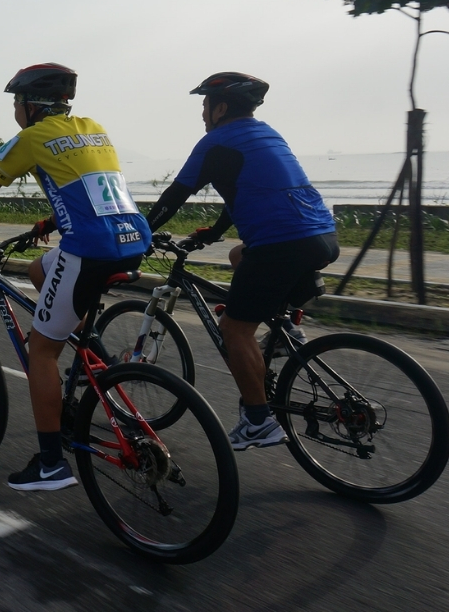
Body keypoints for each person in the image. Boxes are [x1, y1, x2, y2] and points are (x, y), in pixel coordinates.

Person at [0, 63, 150, 492]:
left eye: (15, 103)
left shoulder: (31, 138)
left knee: (42, 353)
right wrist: (48, 224)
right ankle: (92, 346)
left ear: (30, 105)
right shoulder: (93, 128)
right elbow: (87, 190)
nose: (14, 111)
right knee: (39, 268)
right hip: (133, 237)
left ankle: (50, 466)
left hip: (90, 249)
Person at [145, 72, 339, 450]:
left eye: (204, 105)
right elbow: (251, 190)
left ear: (219, 108)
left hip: (282, 246)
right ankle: (286, 332)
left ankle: (258, 421)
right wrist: (215, 233)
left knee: (234, 330)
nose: (202, 113)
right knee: (239, 255)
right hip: (323, 238)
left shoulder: (216, 142)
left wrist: (139, 234)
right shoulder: (267, 134)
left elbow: (175, 195)